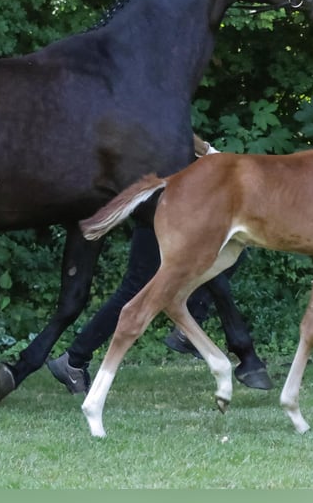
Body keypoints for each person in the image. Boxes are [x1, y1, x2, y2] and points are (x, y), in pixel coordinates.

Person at [47, 136, 270, 393]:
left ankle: (188, 327)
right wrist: (208, 151)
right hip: (159, 200)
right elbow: (179, 130)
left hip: (170, 196)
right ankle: (74, 360)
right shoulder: (149, 105)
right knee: (138, 286)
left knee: (226, 256)